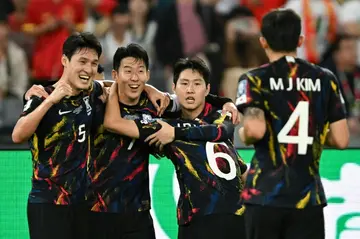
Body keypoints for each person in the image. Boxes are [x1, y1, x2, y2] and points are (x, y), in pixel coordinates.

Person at [235, 9, 349, 239]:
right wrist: (312, 132)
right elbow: (341, 139)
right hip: (307, 199)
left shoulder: (254, 79)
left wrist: (243, 133)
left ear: (263, 41)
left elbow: (256, 130)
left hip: (264, 195)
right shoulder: (325, 78)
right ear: (300, 40)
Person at [104, 57, 247, 239]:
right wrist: (122, 85)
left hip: (235, 219)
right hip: (198, 221)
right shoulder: (166, 128)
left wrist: (176, 133)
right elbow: (113, 122)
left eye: (197, 84)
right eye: (184, 83)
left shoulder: (215, 118)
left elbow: (224, 133)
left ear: (207, 89)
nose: (190, 90)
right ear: (173, 88)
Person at [11, 32, 103, 239]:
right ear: (64, 60)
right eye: (82, 61)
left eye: (93, 63)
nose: (88, 69)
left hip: (81, 203)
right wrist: (51, 101)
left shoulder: (90, 93)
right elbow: (18, 134)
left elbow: (113, 86)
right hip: (47, 203)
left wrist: (152, 91)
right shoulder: (41, 96)